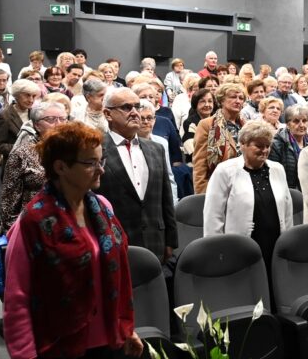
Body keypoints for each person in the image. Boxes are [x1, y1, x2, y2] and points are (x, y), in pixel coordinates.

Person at [3, 122, 143, 359]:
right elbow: (17, 299)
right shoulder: (34, 221)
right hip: (56, 351)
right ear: (61, 167)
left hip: (99, 347)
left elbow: (114, 274)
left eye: (100, 160)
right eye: (90, 162)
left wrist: (125, 326)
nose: (100, 169)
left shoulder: (101, 208)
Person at [204, 119, 294, 298]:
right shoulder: (225, 171)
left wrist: (287, 244)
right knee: (247, 293)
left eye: (268, 145)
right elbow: (213, 215)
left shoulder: (277, 169)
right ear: (243, 144)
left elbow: (287, 208)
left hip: (274, 243)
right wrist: (217, 251)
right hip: (239, 247)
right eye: (259, 146)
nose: (265, 150)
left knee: (274, 292)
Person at [98, 87, 178, 262]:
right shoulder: (95, 149)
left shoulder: (156, 148)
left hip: (155, 242)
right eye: (127, 107)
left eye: (137, 107)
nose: (135, 113)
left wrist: (170, 240)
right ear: (108, 114)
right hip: (113, 243)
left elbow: (165, 198)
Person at [0, 102, 69, 233]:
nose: (59, 124)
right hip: (34, 225)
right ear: (37, 125)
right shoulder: (23, 153)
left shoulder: (75, 150)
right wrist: (12, 232)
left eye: (63, 119)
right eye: (51, 120)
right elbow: (9, 199)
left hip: (69, 221)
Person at [192, 83, 245, 194]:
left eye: (241, 98)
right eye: (233, 97)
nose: (238, 101)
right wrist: (202, 194)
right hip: (218, 187)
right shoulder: (207, 124)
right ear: (221, 100)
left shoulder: (246, 126)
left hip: (244, 185)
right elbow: (200, 164)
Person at [0, 78, 42, 163]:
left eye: (33, 96)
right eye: (27, 95)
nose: (31, 100)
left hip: (36, 163)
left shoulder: (34, 113)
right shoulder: (4, 116)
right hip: (15, 165)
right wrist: (24, 149)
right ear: (16, 95)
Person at [269, 104, 308, 190]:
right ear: (288, 124)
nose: (301, 125)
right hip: (287, 190)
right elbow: (274, 175)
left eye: (304, 121)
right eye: (296, 121)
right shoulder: (277, 144)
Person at [182, 88, 215, 158]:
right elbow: (194, 152)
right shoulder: (190, 123)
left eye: (210, 101)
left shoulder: (218, 120)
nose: (207, 105)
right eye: (202, 101)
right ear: (195, 104)